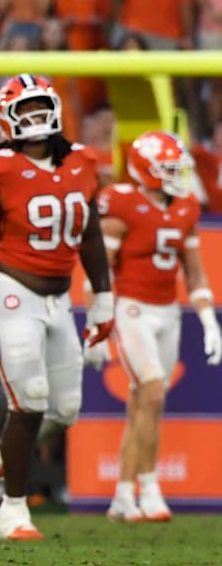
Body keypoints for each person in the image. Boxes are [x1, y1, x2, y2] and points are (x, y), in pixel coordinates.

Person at [0, 74, 114, 540]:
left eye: (40, 105)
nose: (34, 117)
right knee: (29, 398)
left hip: (59, 295)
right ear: (7, 119)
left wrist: (103, 299)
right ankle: (15, 511)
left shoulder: (84, 162)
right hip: (10, 286)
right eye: (23, 109)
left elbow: (89, 232)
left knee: (64, 410)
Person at [97, 131, 222, 522]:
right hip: (132, 308)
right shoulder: (121, 203)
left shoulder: (184, 206)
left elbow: (195, 272)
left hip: (168, 312)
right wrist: (98, 322)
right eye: (167, 169)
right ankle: (149, 488)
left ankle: (122, 495)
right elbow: (101, 272)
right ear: (145, 169)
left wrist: (208, 320)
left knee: (143, 405)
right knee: (151, 395)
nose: (175, 176)